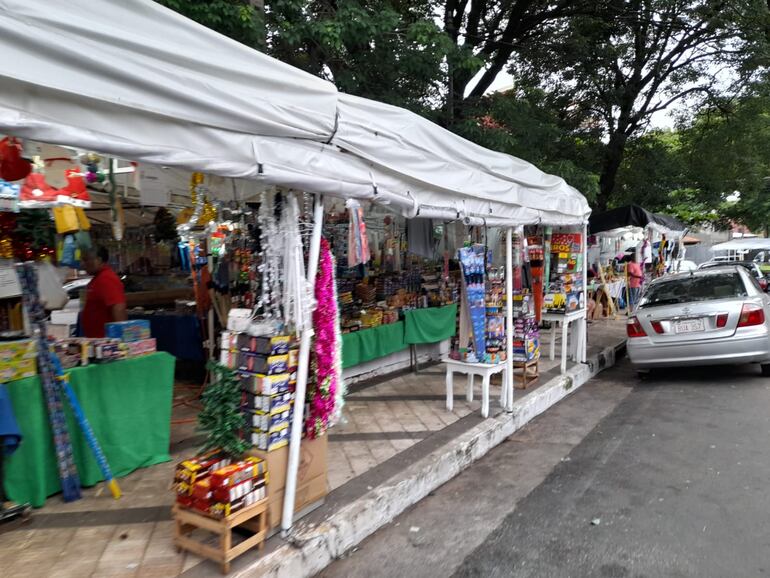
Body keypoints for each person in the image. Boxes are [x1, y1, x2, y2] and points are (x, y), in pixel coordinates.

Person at [80, 246, 127, 338]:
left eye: (86, 260)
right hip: (98, 341)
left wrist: (121, 340)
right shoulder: (98, 278)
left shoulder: (106, 278)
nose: (83, 264)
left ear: (99, 260)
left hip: (107, 342)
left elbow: (119, 308)